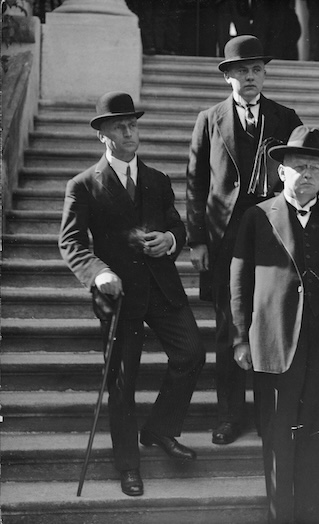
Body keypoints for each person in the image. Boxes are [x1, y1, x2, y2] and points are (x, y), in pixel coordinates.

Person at [58, 92, 205, 497]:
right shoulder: (83, 185)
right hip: (118, 295)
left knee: (192, 353)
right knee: (123, 382)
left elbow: (178, 224)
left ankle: (159, 429)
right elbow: (71, 243)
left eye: (133, 124)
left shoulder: (157, 180)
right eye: (119, 126)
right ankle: (128, 466)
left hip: (160, 287)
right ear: (102, 136)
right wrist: (99, 273)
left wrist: (171, 239)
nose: (129, 131)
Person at [229, 126, 319, 523]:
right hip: (275, 344)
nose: (308, 175)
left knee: (318, 439)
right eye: (299, 166)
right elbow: (239, 279)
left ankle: (310, 515)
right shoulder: (258, 217)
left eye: (315, 168)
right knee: (277, 439)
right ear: (281, 171)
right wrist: (240, 339)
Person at [186, 34, 302, 445]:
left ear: (264, 73)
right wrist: (197, 240)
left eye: (255, 70)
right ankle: (230, 416)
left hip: (272, 239)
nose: (249, 77)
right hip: (224, 241)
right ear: (227, 77)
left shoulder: (286, 116)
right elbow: (196, 185)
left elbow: (299, 176)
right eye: (240, 71)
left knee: (271, 322)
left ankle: (271, 415)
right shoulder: (209, 119)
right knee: (228, 330)